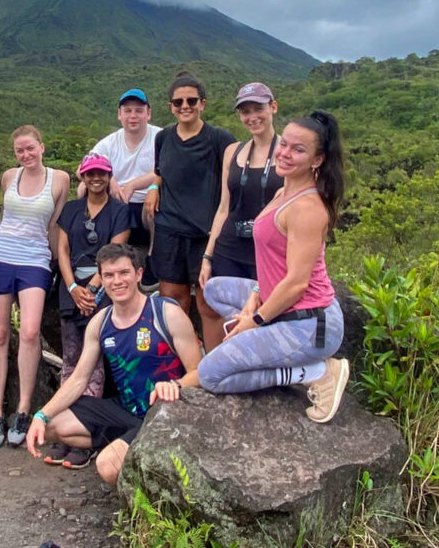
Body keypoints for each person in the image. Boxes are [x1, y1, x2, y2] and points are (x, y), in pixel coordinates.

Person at [181, 111, 350, 423]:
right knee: (215, 288)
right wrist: (254, 295)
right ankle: (261, 344)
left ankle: (317, 371)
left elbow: (297, 282)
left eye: (298, 150)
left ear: (317, 160)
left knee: (211, 375)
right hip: (283, 309)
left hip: (309, 325)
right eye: (284, 144)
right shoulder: (281, 192)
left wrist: (254, 321)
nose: (284, 153)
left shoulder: (308, 208)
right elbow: (275, 263)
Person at [25, 243, 202, 485]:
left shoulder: (165, 312)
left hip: (164, 413)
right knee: (51, 427)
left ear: (138, 274)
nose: (117, 281)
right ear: (102, 279)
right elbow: (79, 379)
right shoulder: (101, 322)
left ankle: (146, 482)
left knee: (107, 467)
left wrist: (177, 385)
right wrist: (41, 415)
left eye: (123, 273)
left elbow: (199, 372)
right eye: (108, 275)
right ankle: (132, 445)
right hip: (127, 412)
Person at [0, 126, 70, 449]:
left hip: (35, 259)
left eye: (30, 148)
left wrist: (62, 268)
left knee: (30, 331)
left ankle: (23, 409)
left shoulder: (59, 179)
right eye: (20, 150)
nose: (26, 155)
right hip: (0, 256)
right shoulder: (8, 177)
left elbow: (54, 225)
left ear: (42, 147)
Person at [49, 152, 131, 468]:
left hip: (103, 292)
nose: (96, 179)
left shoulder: (120, 211)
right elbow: (63, 250)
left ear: (109, 177)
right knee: (70, 360)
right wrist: (73, 288)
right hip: (72, 291)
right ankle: (64, 429)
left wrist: (94, 288)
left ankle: (86, 429)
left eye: (102, 173)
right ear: (82, 177)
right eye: (90, 174)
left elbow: (115, 251)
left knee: (94, 363)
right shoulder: (71, 210)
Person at [197, 82, 283, 350]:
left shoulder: (288, 153)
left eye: (258, 108)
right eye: (245, 111)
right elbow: (224, 207)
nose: (252, 117)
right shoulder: (232, 152)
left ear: (273, 107)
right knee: (219, 310)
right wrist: (207, 256)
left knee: (263, 315)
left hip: (266, 252)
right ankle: (218, 362)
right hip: (230, 248)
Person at [143, 71, 235, 316]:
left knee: (209, 303)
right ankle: (178, 354)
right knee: (172, 300)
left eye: (191, 101)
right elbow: (161, 170)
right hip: (170, 231)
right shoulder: (163, 138)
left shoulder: (220, 140)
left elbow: (234, 184)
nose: (185, 106)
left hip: (205, 233)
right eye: (178, 102)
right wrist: (154, 186)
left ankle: (214, 354)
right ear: (170, 106)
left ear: (202, 104)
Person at [84, 89, 162, 280]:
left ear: (148, 113)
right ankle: (94, 250)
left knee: (157, 200)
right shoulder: (111, 142)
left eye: (138, 110)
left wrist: (134, 184)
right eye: (127, 111)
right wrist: (111, 181)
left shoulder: (160, 137)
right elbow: (84, 166)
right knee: (82, 188)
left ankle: (153, 257)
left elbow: (169, 167)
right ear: (120, 114)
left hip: (149, 201)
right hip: (118, 203)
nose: (133, 116)